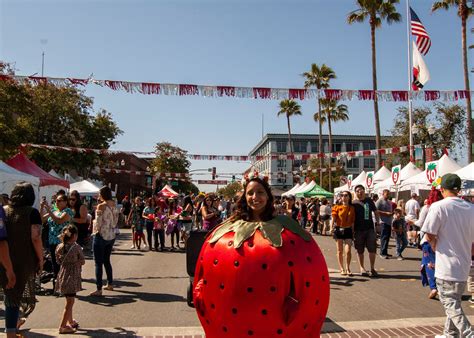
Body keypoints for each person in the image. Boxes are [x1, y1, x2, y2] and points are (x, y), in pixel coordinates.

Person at [422, 174, 474, 337]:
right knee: (454, 303)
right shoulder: (470, 208)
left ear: (443, 189)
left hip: (446, 266)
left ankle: (468, 333)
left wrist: (435, 246)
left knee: (451, 305)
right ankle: (449, 334)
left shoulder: (438, 207)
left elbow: (429, 233)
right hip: (463, 264)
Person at [2, 183, 43, 337]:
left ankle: (12, 328)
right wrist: (40, 259)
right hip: (23, 260)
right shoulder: (32, 213)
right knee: (14, 297)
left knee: (9, 295)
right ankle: (11, 333)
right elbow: (36, 238)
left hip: (4, 258)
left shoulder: (4, 211)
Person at [55, 225, 85, 334]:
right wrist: (76, 262)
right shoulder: (76, 247)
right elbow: (82, 260)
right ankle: (62, 326)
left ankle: (70, 321)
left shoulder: (59, 247)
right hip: (72, 277)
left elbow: (58, 261)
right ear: (75, 236)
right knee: (70, 302)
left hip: (63, 275)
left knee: (68, 300)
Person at [90, 186, 119, 297]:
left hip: (101, 235)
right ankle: (110, 283)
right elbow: (116, 221)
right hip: (111, 235)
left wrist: (94, 232)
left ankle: (98, 288)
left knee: (98, 263)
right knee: (107, 260)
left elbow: (98, 222)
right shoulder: (114, 205)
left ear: (102, 194)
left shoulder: (101, 206)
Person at [41, 193, 74, 289]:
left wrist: (48, 210)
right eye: (56, 200)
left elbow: (59, 220)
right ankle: (56, 286)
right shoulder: (54, 211)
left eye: (59, 200)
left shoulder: (68, 211)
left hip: (62, 242)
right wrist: (42, 207)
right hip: (52, 241)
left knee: (62, 264)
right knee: (54, 264)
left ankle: (63, 286)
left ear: (65, 202)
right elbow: (42, 219)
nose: (57, 202)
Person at [418, 188, 443, 300]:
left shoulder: (427, 208)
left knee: (429, 264)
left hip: (428, 240)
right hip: (443, 240)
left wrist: (410, 221)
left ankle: (433, 287)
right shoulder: (444, 207)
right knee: (440, 264)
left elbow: (420, 223)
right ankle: (441, 288)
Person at [353, 185, 380, 277]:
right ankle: (362, 268)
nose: (359, 192)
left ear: (364, 191)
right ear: (355, 193)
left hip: (370, 229)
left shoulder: (369, 201)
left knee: (372, 249)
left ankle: (372, 268)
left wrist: (378, 224)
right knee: (360, 250)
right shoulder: (354, 203)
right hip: (358, 230)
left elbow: (376, 212)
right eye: (357, 191)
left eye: (361, 190)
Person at [330, 191, 355, 276]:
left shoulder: (352, 208)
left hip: (348, 230)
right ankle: (342, 268)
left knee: (348, 251)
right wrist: (330, 228)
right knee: (340, 251)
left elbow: (353, 221)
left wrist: (353, 231)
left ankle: (348, 267)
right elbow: (333, 219)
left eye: (345, 195)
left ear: (349, 197)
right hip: (338, 229)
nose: (343, 197)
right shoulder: (336, 207)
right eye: (342, 195)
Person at [376, 189, 393, 259]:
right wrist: (385, 213)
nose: (388, 195)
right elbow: (376, 210)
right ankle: (382, 253)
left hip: (389, 222)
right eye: (387, 194)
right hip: (383, 222)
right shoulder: (380, 201)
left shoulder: (389, 202)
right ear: (383, 194)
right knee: (384, 237)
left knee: (387, 238)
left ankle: (385, 252)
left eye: (389, 194)